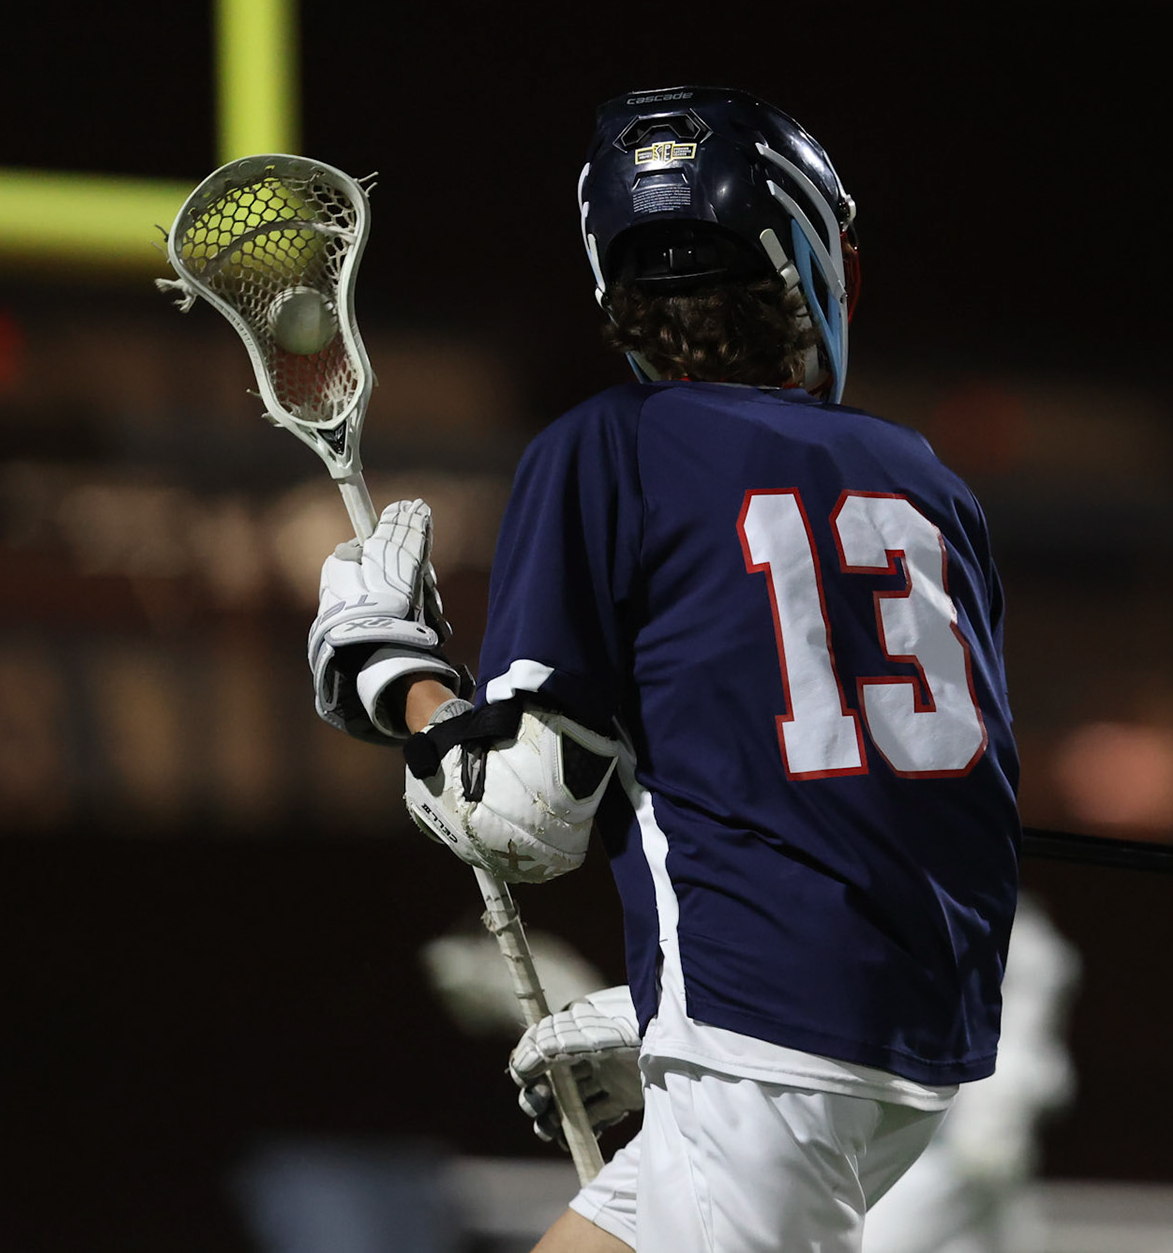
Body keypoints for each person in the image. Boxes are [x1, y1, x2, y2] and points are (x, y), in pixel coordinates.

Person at [307, 87, 1021, 1253]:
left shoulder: (612, 447)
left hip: (762, 1049)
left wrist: (395, 673)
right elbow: (885, 805)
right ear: (807, 259)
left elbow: (527, 813)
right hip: (901, 1050)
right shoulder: (927, 478)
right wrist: (652, 1015)